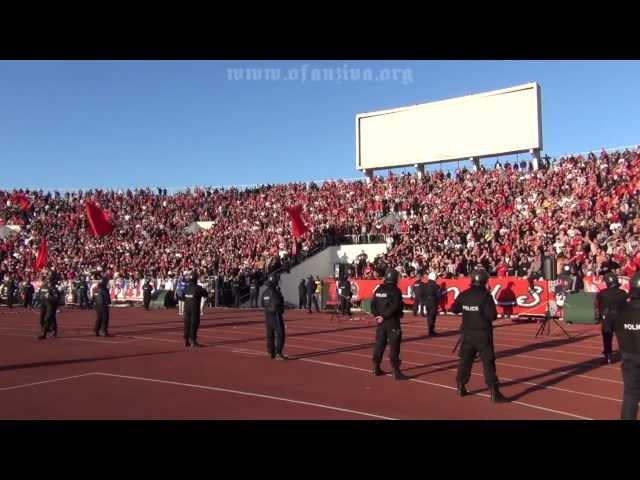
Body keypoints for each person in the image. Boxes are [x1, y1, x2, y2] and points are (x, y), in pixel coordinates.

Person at [451, 268, 508, 403]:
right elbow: (492, 316)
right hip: (482, 335)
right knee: (488, 363)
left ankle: (461, 386)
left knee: (465, 361)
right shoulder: (486, 296)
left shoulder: (464, 294)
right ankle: (494, 392)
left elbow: (454, 309)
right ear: (485, 281)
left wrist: (468, 310)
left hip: (467, 334)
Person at [371, 269, 410, 380]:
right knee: (394, 346)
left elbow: (373, 304)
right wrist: (383, 316)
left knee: (380, 344)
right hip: (392, 322)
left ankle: (376, 367)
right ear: (394, 278)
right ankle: (396, 371)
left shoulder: (379, 289)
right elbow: (395, 306)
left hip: (381, 322)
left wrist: (377, 316)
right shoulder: (395, 290)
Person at [614, 271, 640, 419]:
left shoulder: (620, 311)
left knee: (630, 395)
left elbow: (611, 327)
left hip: (628, 356)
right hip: (629, 355)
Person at [596, 272, 629, 364]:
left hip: (607, 317)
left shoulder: (602, 293)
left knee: (607, 337)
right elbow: (626, 306)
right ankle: (625, 355)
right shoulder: (623, 293)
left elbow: (598, 306)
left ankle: (608, 356)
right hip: (620, 317)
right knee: (622, 338)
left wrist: (600, 315)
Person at [261, 273, 287, 360]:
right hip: (275, 314)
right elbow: (278, 303)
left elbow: (262, 304)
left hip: (267, 314)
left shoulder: (264, 293)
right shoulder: (276, 292)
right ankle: (278, 352)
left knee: (270, 334)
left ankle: (270, 351)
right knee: (280, 334)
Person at [183, 270, 209, 347]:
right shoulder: (198, 288)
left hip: (186, 308)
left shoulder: (186, 288)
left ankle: (186, 340)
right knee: (194, 324)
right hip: (194, 309)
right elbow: (206, 294)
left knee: (186, 324)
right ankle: (193, 341)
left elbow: (181, 297)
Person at [38, 275, 60, 340]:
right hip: (43, 304)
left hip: (51, 305)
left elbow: (56, 298)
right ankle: (50, 329)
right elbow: (40, 294)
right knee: (42, 319)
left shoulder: (54, 289)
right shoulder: (43, 286)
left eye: (50, 281)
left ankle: (44, 334)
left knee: (48, 319)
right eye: (47, 280)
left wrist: (49, 297)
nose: (48, 282)